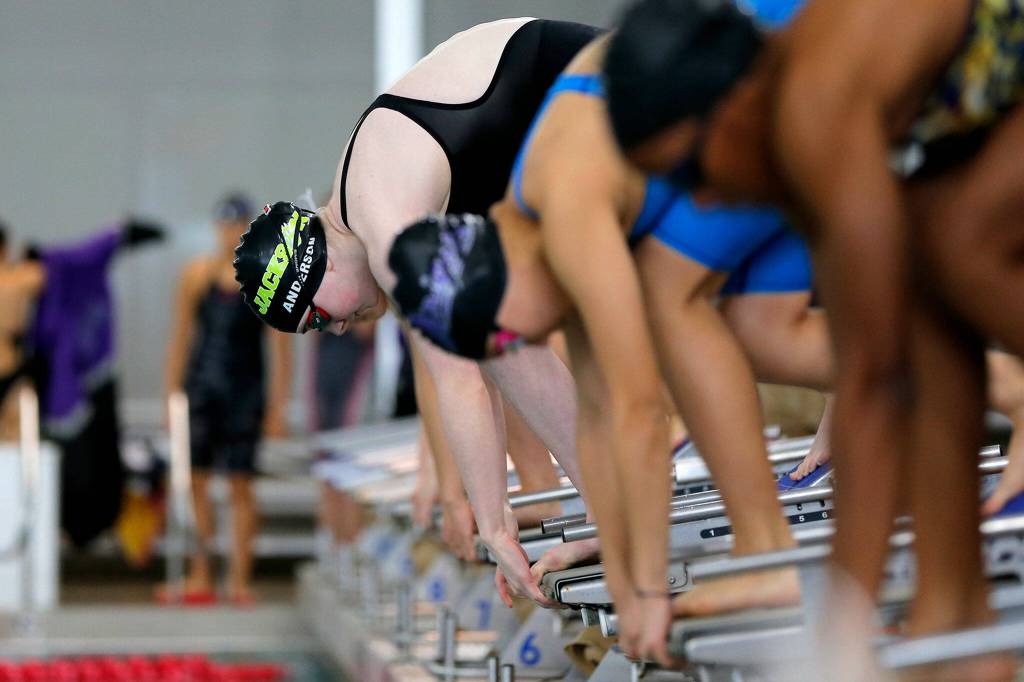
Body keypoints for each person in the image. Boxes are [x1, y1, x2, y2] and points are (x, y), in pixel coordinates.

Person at [603, 0, 1024, 677]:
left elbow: (875, 382)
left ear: (732, 103)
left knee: (959, 246)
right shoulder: (790, 129)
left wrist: (836, 637)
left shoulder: (809, 108)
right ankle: (956, 620)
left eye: (689, 174)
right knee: (928, 308)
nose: (702, 202)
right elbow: (879, 361)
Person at [387, 29, 832, 663]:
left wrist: (644, 587)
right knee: (759, 334)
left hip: (785, 89)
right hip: (745, 107)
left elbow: (641, 415)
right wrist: (609, 544)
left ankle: (769, 552)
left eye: (508, 338)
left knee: (678, 314)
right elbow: (597, 417)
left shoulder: (568, 214)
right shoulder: (535, 228)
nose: (527, 346)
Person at [233, 19, 601, 605]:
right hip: (578, 103)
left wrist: (494, 525)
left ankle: (631, 512)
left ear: (315, 271)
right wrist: (490, 510)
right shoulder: (373, 205)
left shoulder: (382, 223)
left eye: (322, 318)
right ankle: (617, 510)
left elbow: (456, 383)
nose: (342, 326)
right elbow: (483, 359)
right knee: (503, 340)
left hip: (600, 90)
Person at [163, 193, 291, 605]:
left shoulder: (263, 276)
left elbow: (280, 348)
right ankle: (201, 572)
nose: (230, 233)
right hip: (202, 387)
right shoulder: (195, 275)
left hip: (244, 390)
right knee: (196, 482)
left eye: (238, 226)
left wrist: (276, 407)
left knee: (240, 485)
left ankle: (238, 578)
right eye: (224, 226)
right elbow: (181, 338)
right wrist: (172, 396)